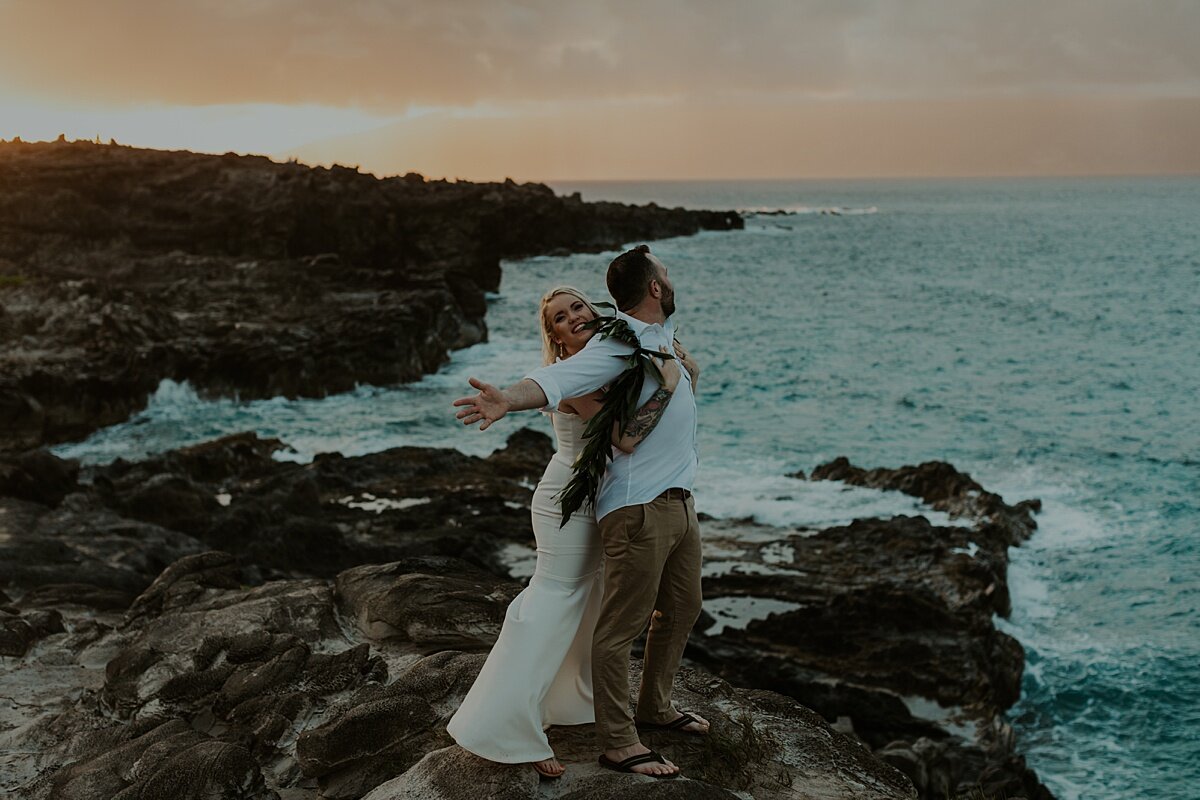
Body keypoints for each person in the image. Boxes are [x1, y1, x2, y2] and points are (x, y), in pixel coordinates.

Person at [453, 245, 708, 779]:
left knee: (671, 606)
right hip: (580, 499)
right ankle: (575, 734)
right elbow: (554, 389)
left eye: (577, 307)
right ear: (656, 287)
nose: (575, 318)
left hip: (653, 497)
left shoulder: (639, 341)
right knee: (566, 603)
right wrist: (507, 399)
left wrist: (684, 370)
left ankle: (648, 706)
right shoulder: (597, 359)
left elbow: (667, 393)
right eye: (561, 317)